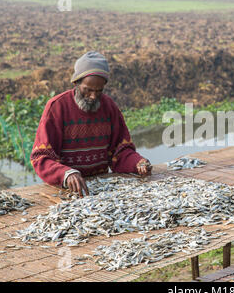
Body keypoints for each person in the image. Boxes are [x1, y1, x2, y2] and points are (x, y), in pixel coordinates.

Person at [30, 51, 152, 197]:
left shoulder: (109, 107)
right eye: (87, 90)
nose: (93, 96)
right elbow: (41, 157)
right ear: (76, 83)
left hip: (100, 187)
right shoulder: (57, 107)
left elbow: (120, 151)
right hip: (65, 189)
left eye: (99, 91)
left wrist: (137, 162)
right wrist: (66, 174)